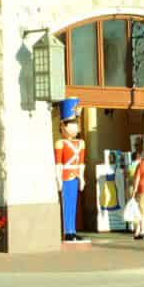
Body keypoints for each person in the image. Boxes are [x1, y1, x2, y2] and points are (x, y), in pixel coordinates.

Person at [54, 98, 86, 242]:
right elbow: (58, 163)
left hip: (75, 176)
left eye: (76, 124)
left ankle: (73, 230)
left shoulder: (81, 143)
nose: (75, 127)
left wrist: (82, 177)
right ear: (62, 126)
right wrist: (58, 178)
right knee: (66, 203)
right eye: (71, 124)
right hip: (65, 175)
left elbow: (82, 162)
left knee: (74, 204)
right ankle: (67, 231)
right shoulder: (60, 143)